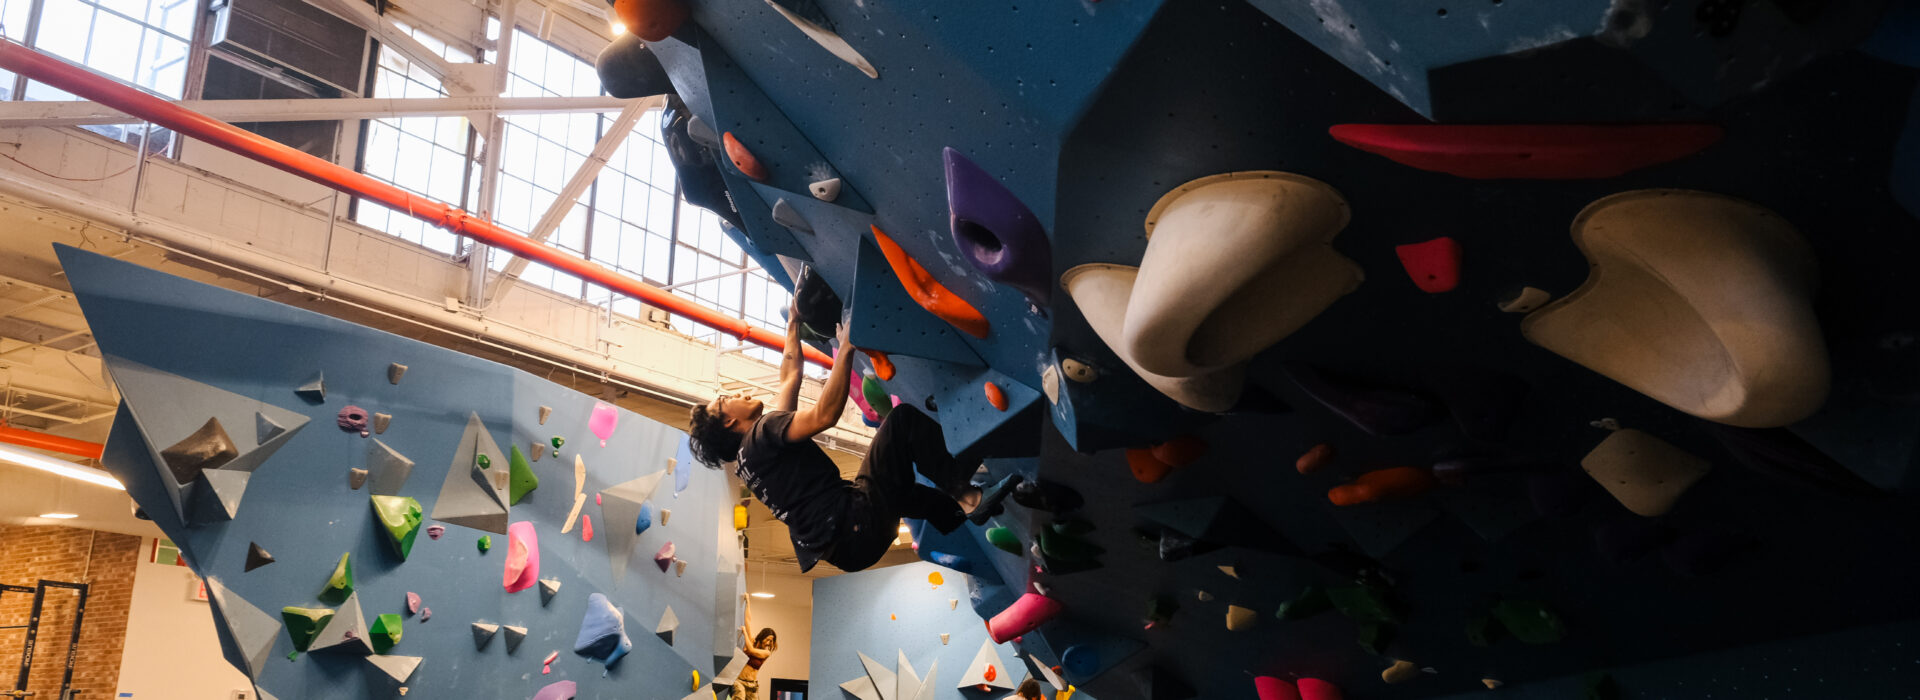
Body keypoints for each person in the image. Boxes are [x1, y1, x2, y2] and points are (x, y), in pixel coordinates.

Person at [689, 300, 1021, 572]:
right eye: (725, 400)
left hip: (848, 547)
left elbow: (789, 377)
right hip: (853, 524)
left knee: (896, 488)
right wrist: (845, 348)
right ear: (729, 423)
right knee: (901, 422)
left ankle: (956, 510)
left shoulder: (753, 455)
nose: (739, 393)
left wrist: (792, 325)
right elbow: (824, 415)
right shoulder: (762, 434)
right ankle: (967, 496)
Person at [735, 602, 776, 700]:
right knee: (739, 695)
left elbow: (751, 650)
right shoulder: (752, 641)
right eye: (768, 639)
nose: (769, 643)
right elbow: (748, 621)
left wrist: (744, 632)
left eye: (771, 641)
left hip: (752, 685)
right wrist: (748, 602)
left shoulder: (766, 653)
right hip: (739, 681)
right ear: (763, 636)